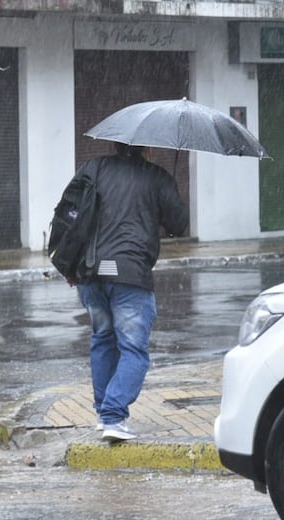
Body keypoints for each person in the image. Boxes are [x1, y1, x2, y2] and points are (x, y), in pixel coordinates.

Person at [70, 143, 188, 442]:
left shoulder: (93, 169)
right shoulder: (156, 176)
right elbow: (178, 225)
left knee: (102, 339)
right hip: (130, 274)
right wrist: (168, 192)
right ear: (146, 148)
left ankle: (103, 412)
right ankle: (113, 416)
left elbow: (70, 214)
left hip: (91, 272)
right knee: (134, 350)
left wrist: (70, 265)